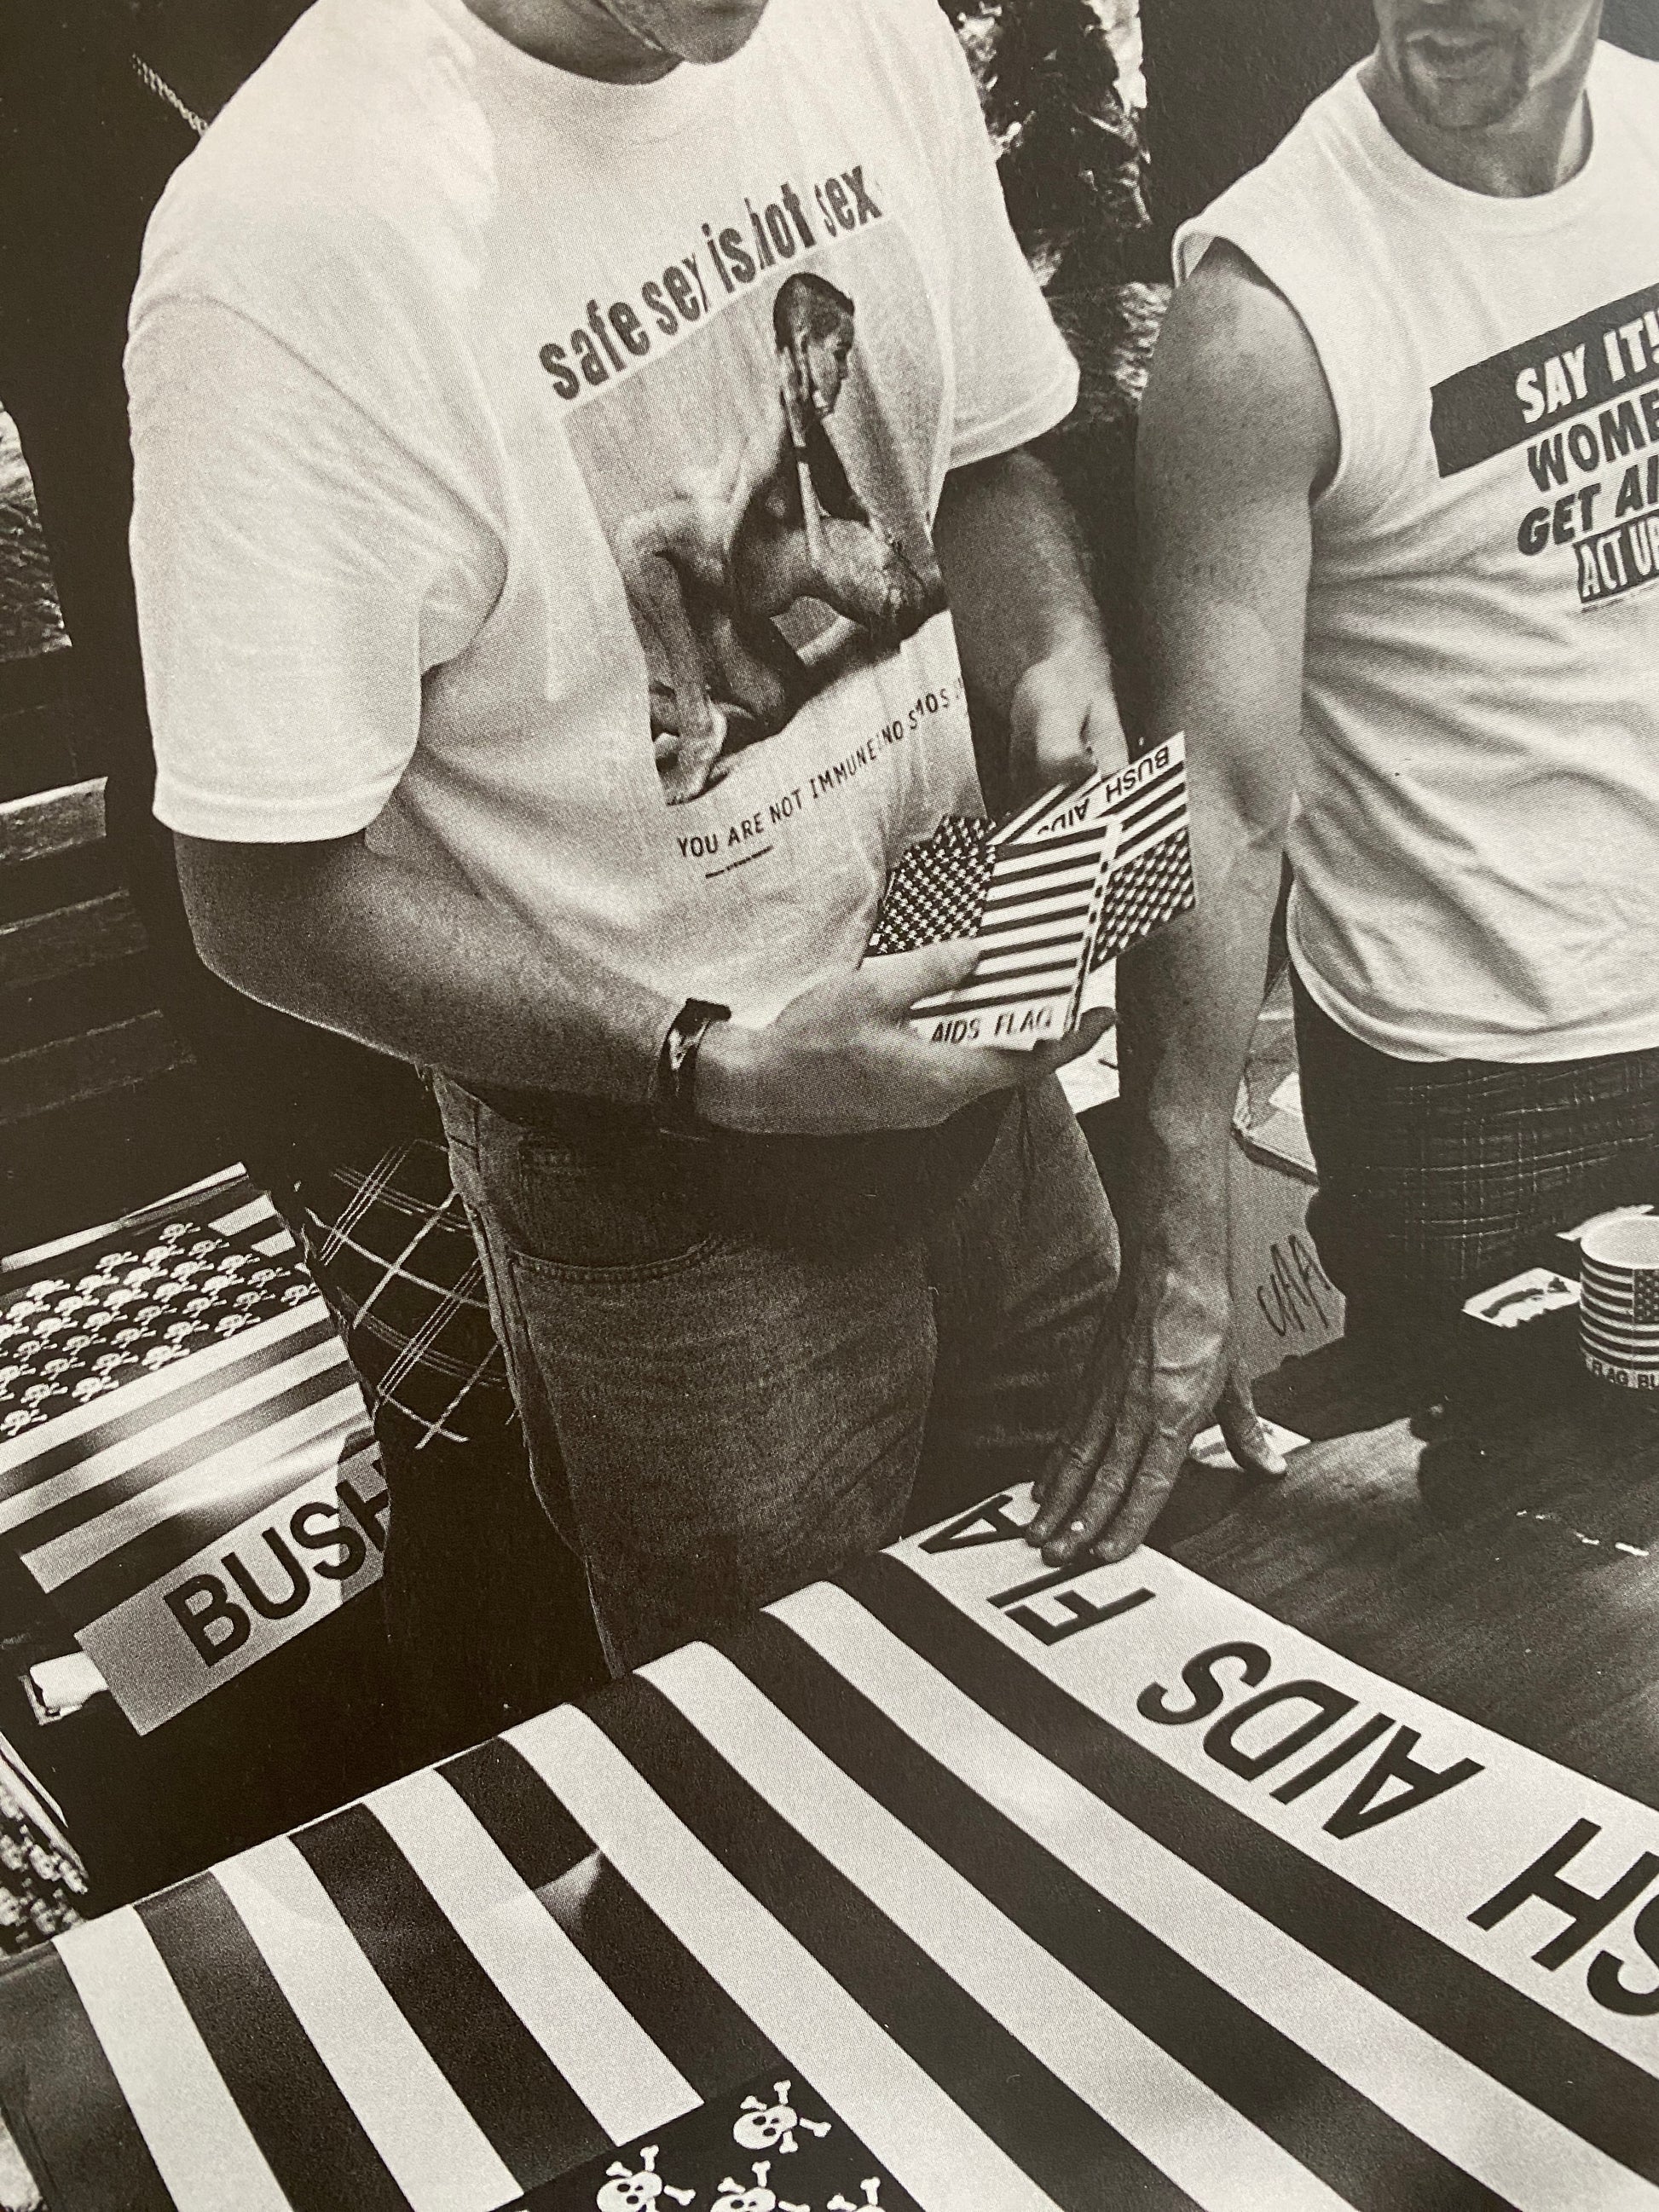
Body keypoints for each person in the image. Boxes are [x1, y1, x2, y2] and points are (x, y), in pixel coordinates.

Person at [126, 0, 1132, 1672]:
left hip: (982, 1055)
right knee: (792, 1752)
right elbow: (260, 890)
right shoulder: (281, 244)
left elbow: (980, 456)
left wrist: (1053, 656)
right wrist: (712, 1062)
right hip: (667, 1200)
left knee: (1103, 1647)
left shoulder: (863, 26)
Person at [0, 1, 602, 1763]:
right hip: (307, 899)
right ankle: (518, 1835)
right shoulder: (51, 86)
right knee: (474, 1438)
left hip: (558, 830)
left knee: (632, 1408)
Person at [1029, 0, 1659, 1572]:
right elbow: (1218, 798)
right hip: (1486, 1088)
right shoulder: (1263, 317)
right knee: (1526, 1589)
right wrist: (1179, 1248)